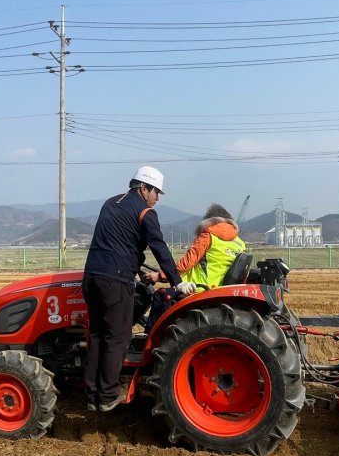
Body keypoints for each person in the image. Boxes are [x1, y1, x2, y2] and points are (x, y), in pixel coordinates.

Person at [83, 166, 195, 413]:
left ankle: (92, 395)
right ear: (144, 188)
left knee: (98, 335)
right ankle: (108, 395)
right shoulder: (145, 212)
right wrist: (177, 282)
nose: (157, 199)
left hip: (91, 276)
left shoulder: (110, 203)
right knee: (118, 337)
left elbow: (118, 241)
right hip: (116, 281)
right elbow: (159, 248)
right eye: (157, 193)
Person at [144, 203, 246, 332]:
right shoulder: (240, 243)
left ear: (210, 221)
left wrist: (159, 276)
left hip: (199, 289)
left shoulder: (208, 236)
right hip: (219, 290)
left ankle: (152, 338)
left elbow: (185, 264)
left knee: (160, 295)